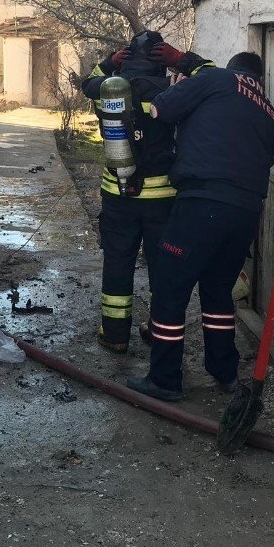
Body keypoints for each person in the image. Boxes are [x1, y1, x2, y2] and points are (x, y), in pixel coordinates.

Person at [126, 43, 274, 401]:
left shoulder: (217, 80)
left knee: (170, 286)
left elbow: (160, 109)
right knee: (217, 292)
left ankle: (164, 380)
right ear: (258, 78)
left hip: (203, 203)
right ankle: (224, 373)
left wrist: (175, 85)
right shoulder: (268, 110)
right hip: (246, 212)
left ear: (233, 68)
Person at [80, 31, 177, 353]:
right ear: (159, 60)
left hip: (118, 192)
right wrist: (180, 60)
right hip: (161, 197)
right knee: (162, 267)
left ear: (126, 58)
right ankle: (159, 330)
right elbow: (208, 78)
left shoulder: (107, 91)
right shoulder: (172, 91)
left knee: (118, 262)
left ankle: (115, 334)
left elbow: (86, 83)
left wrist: (108, 63)